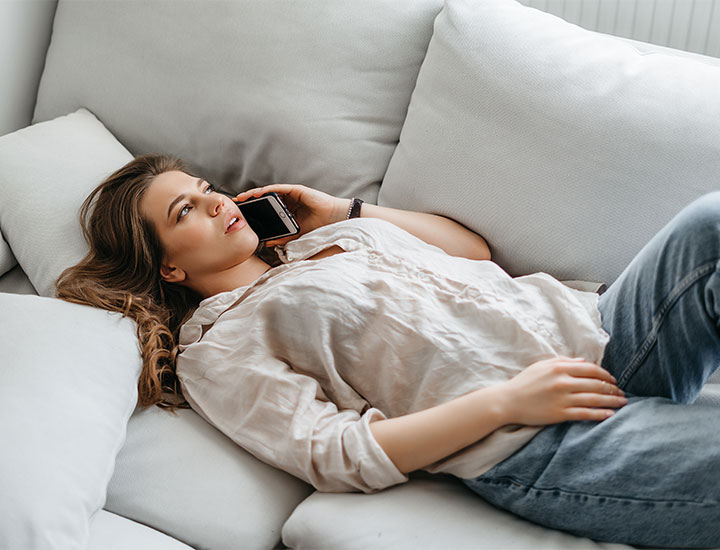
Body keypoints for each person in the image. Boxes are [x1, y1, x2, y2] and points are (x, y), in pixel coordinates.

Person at [56, 152, 720, 548]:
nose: (216, 204)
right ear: (169, 269)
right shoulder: (217, 348)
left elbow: (472, 252)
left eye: (205, 190)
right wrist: (504, 402)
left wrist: (342, 212)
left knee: (708, 223)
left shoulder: (312, 242)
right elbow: (333, 453)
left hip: (601, 327)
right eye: (186, 214)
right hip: (534, 436)